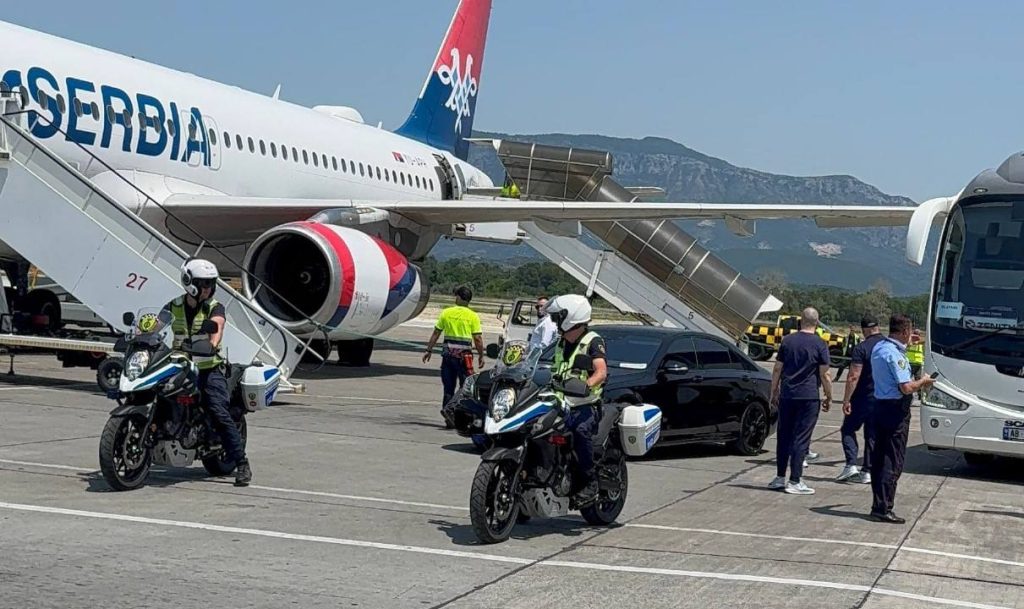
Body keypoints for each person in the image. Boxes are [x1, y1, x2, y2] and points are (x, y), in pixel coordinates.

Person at [164, 259, 251, 487]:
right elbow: (156, 324)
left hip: (208, 368)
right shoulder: (173, 306)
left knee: (217, 410)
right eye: (203, 284)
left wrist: (212, 343)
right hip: (180, 365)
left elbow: (218, 326)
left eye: (210, 284)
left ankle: (242, 463)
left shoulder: (215, 307)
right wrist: (143, 334)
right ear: (189, 282)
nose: (207, 289)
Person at [868, 314, 936, 523]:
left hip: (879, 404)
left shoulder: (879, 348)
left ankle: (877, 503)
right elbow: (905, 387)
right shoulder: (895, 354)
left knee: (879, 457)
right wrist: (923, 381)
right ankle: (885, 506)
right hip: (895, 409)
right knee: (893, 458)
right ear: (905, 331)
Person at [545, 294, 607, 503]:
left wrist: (586, 384)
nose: (554, 322)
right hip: (560, 402)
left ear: (570, 317)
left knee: (580, 431)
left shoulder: (593, 341)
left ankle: (590, 482)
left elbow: (601, 372)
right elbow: (545, 365)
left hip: (584, 404)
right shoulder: (561, 343)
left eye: (557, 317)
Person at [769, 307, 832, 495]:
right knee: (801, 438)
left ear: (801, 321)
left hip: (788, 394)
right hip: (808, 396)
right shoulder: (820, 344)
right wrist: (829, 396)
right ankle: (795, 479)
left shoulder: (788, 341)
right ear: (817, 322)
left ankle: (780, 476)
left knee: (784, 436)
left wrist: (774, 391)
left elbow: (777, 369)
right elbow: (825, 374)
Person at [836, 315, 884, 484]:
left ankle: (851, 464)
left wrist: (846, 399)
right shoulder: (888, 346)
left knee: (848, 429)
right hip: (881, 398)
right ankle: (867, 471)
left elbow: (853, 376)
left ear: (864, 330)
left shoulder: (861, 348)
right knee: (871, 435)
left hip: (862, 397)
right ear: (878, 327)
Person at [423, 285, 485, 410]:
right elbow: (477, 339)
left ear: (460, 297)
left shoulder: (446, 313)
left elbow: (436, 333)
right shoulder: (473, 316)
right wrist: (481, 355)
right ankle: (459, 411)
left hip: (448, 356)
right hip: (464, 358)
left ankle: (447, 413)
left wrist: (428, 350)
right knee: (464, 387)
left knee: (448, 388)